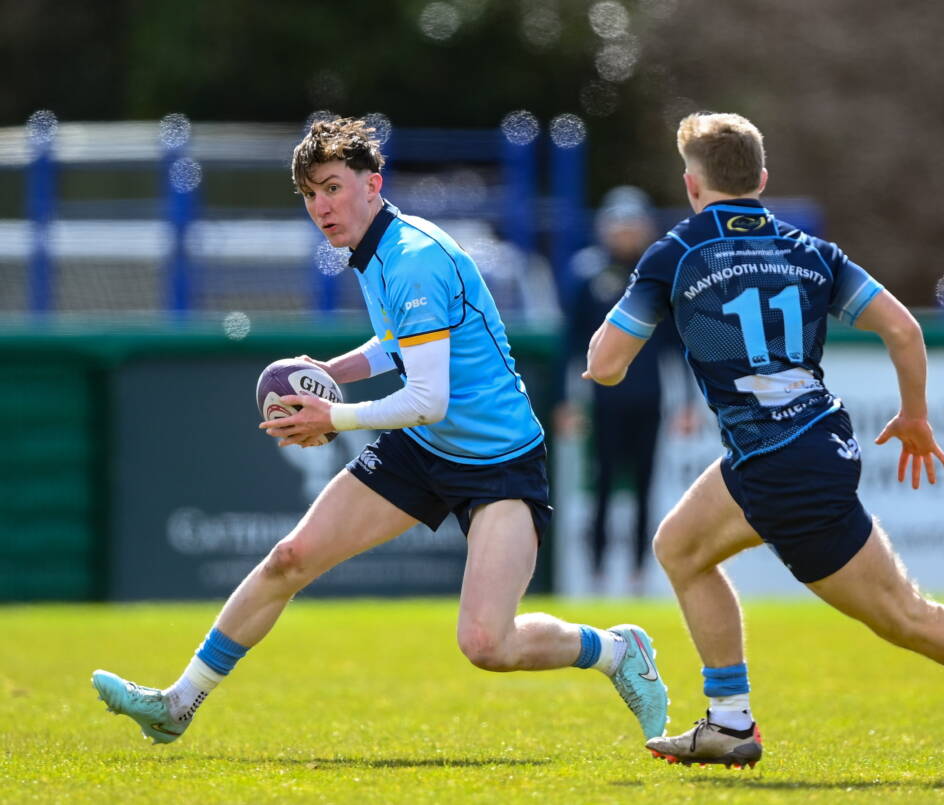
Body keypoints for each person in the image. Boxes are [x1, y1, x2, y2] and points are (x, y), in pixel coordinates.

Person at [91, 117, 667, 746]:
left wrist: (331, 416)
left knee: (486, 643)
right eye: (310, 194)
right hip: (424, 448)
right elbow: (397, 344)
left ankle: (614, 650)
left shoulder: (413, 259)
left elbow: (426, 397)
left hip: (499, 461)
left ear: (373, 184)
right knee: (290, 558)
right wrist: (329, 372)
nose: (322, 206)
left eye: (333, 187)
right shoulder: (375, 250)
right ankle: (179, 702)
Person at [583, 112, 944, 769]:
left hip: (779, 463)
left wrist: (613, 341)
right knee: (679, 545)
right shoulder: (810, 251)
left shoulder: (675, 253)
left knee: (907, 618)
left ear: (691, 184)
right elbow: (904, 329)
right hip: (795, 446)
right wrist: (916, 416)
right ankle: (729, 722)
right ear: (761, 179)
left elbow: (608, 364)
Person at [554, 187, 682, 594]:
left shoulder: (658, 275)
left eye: (633, 225)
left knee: (646, 484)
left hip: (650, 397)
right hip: (603, 399)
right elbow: (570, 344)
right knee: (603, 483)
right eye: (619, 224)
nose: (625, 233)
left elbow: (678, 346)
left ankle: (639, 573)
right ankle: (595, 572)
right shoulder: (588, 273)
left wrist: (691, 404)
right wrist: (564, 402)